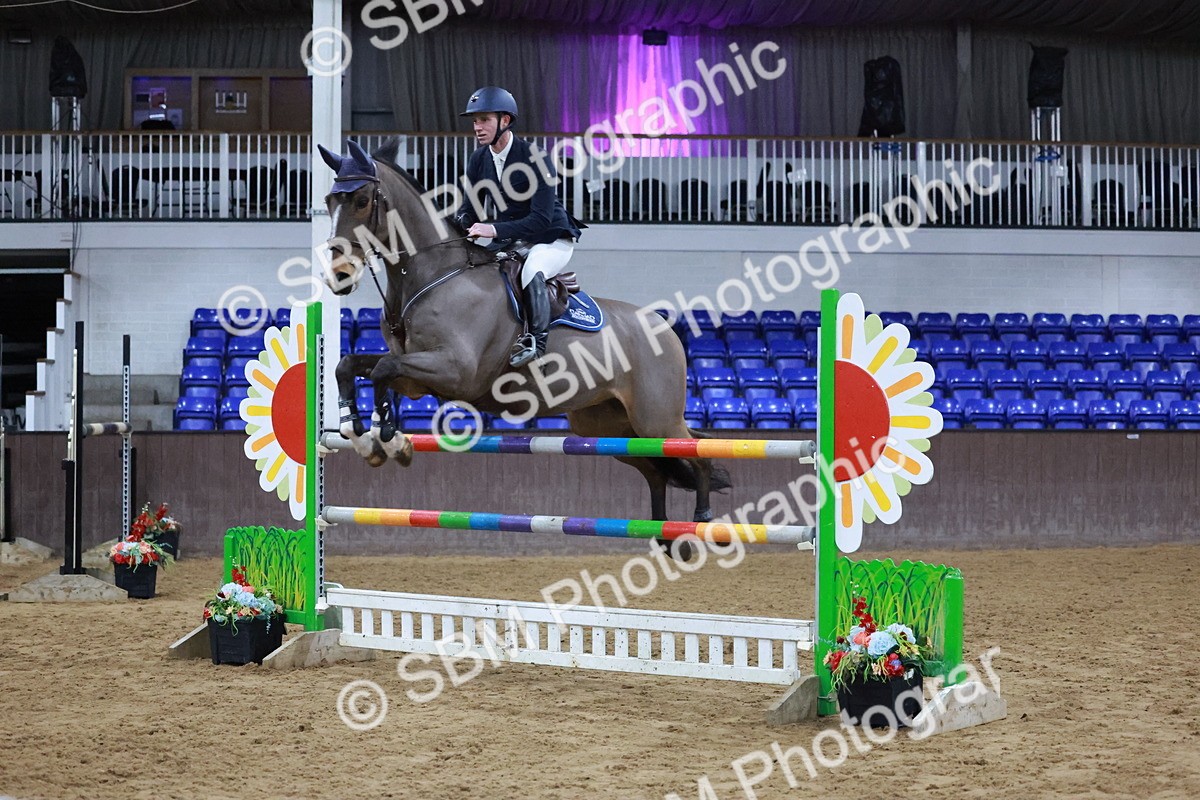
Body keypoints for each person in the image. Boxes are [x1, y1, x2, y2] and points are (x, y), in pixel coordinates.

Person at [452, 86, 582, 368]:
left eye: (484, 119)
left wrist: (493, 230)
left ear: (505, 121)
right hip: (515, 238)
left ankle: (537, 344)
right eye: (474, 121)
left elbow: (541, 219)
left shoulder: (535, 156)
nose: (477, 127)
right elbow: (469, 210)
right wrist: (459, 224)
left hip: (550, 237)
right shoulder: (479, 159)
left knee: (532, 271)